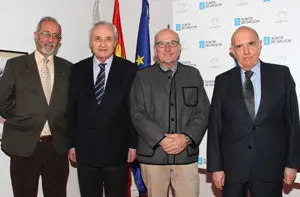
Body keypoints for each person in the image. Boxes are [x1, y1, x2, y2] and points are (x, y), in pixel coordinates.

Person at [207, 26, 300, 197]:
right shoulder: (222, 81)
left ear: (260, 44)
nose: (246, 51)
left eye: (251, 44)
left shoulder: (281, 75)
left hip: (270, 167)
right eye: (239, 46)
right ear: (232, 51)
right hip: (232, 169)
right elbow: (215, 127)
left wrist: (292, 163)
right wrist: (216, 168)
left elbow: (293, 121)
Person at [130, 28, 210, 197]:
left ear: (179, 48)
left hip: (185, 157)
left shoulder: (193, 74)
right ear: (155, 50)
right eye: (162, 44)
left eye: (172, 43)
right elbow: (137, 114)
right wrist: (161, 139)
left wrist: (186, 138)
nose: (167, 48)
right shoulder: (142, 77)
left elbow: (203, 112)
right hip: (153, 158)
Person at [0, 16, 71, 197]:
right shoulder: (15, 65)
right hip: (24, 146)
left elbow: (73, 107)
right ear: (36, 35)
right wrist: (22, 116)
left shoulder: (68, 68)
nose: (50, 39)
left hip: (57, 148)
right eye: (46, 33)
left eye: (56, 36)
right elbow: (2, 101)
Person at [68, 21, 137, 197]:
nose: (103, 44)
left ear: (115, 42)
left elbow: (134, 112)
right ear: (91, 42)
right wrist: (72, 144)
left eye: (108, 39)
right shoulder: (77, 70)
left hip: (118, 151)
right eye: (97, 39)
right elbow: (71, 110)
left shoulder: (130, 70)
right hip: (85, 150)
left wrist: (133, 145)